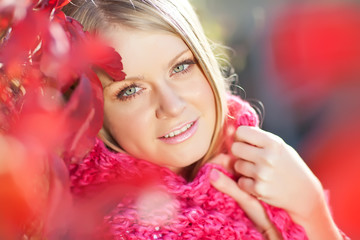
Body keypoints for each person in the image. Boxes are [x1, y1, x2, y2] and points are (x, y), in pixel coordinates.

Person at [62, 0, 346, 239]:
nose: (171, 106)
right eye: (131, 91)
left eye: (181, 67)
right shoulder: (118, 229)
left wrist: (312, 210)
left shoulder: (255, 162)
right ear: (92, 112)